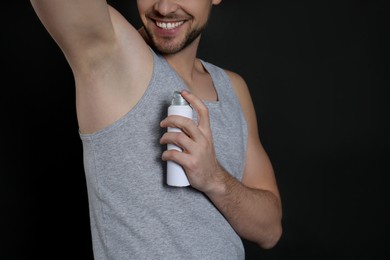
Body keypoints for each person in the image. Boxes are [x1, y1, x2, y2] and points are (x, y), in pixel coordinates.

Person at [29, 0, 283, 259]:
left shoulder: (233, 88)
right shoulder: (112, 56)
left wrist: (214, 179)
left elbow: (270, 230)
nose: (163, 7)